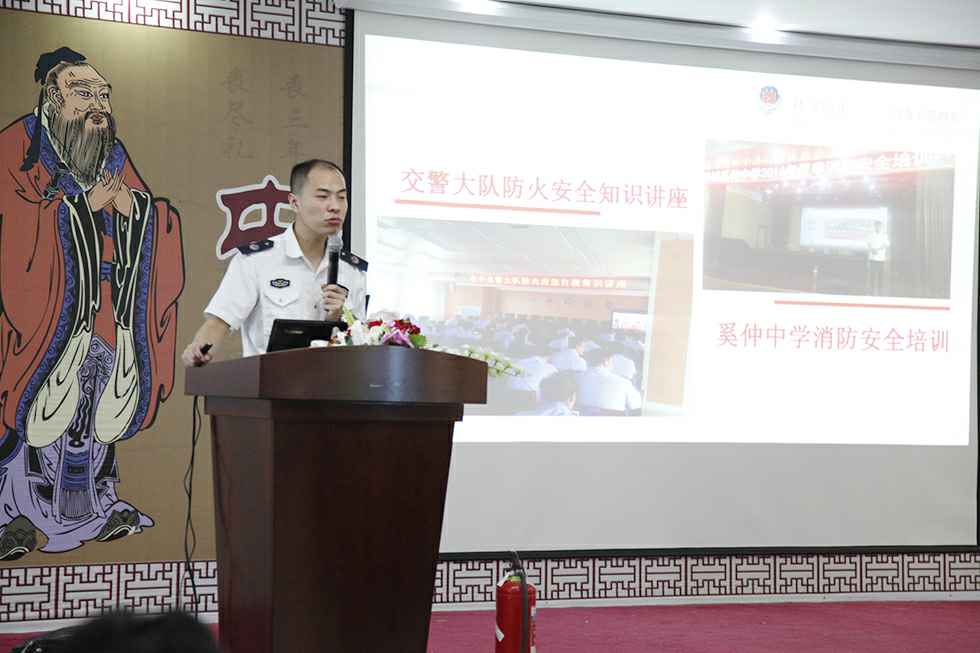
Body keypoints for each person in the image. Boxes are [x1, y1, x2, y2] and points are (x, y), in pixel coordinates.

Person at [0, 47, 184, 558]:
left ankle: (95, 510)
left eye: (103, 94)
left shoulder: (111, 154)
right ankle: (13, 515)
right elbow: (15, 222)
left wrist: (133, 208)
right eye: (83, 93)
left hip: (104, 311)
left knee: (93, 415)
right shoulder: (17, 147)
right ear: (52, 97)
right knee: (33, 417)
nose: (98, 105)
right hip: (40, 312)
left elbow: (156, 222)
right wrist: (79, 209)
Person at [182, 159, 366, 365]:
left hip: (332, 382)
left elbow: (361, 345)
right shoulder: (256, 261)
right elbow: (219, 322)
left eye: (342, 197)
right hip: (268, 381)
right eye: (323, 196)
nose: (335, 207)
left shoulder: (352, 271)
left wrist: (338, 319)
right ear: (294, 202)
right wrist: (198, 349)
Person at [577, 348, 642, 415]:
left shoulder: (577, 378)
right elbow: (636, 404)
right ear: (606, 361)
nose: (612, 364)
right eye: (611, 361)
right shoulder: (623, 382)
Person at [866, 220, 890, 296]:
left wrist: (878, 249)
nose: (878, 227)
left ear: (881, 227)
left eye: (879, 226)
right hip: (872, 258)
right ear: (874, 226)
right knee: (872, 275)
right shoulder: (871, 235)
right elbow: (868, 244)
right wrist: (872, 250)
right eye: (876, 226)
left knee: (880, 275)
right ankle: (871, 292)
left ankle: (880, 292)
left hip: (881, 258)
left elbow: (886, 244)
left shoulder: (884, 235)